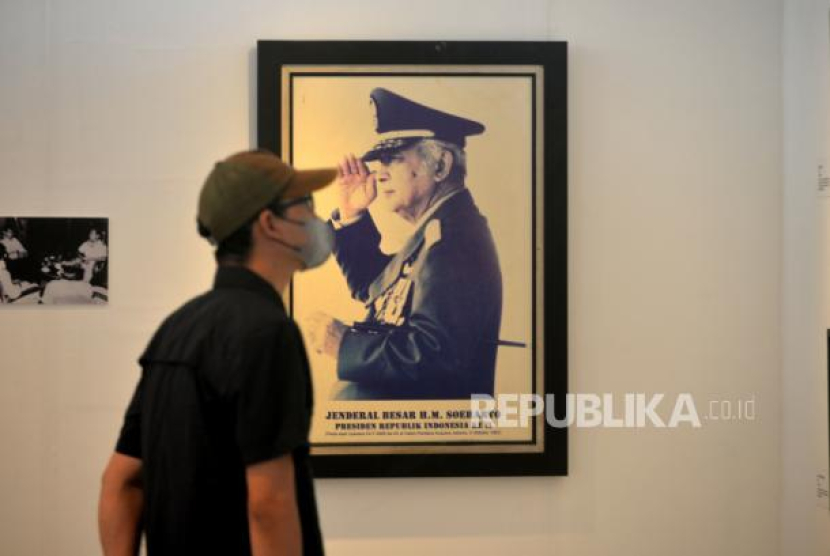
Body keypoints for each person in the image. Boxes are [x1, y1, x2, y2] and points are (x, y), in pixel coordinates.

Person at [98, 150, 336, 555]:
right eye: (307, 206)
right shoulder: (268, 333)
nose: (317, 221)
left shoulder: (176, 330)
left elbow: (121, 481)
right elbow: (269, 505)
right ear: (270, 223)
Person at [306, 87, 503, 400]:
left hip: (435, 442)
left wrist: (345, 344)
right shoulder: (438, 230)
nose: (379, 175)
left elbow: (435, 355)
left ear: (440, 166)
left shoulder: (453, 238)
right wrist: (352, 214)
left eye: (392, 159)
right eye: (378, 162)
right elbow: (375, 286)